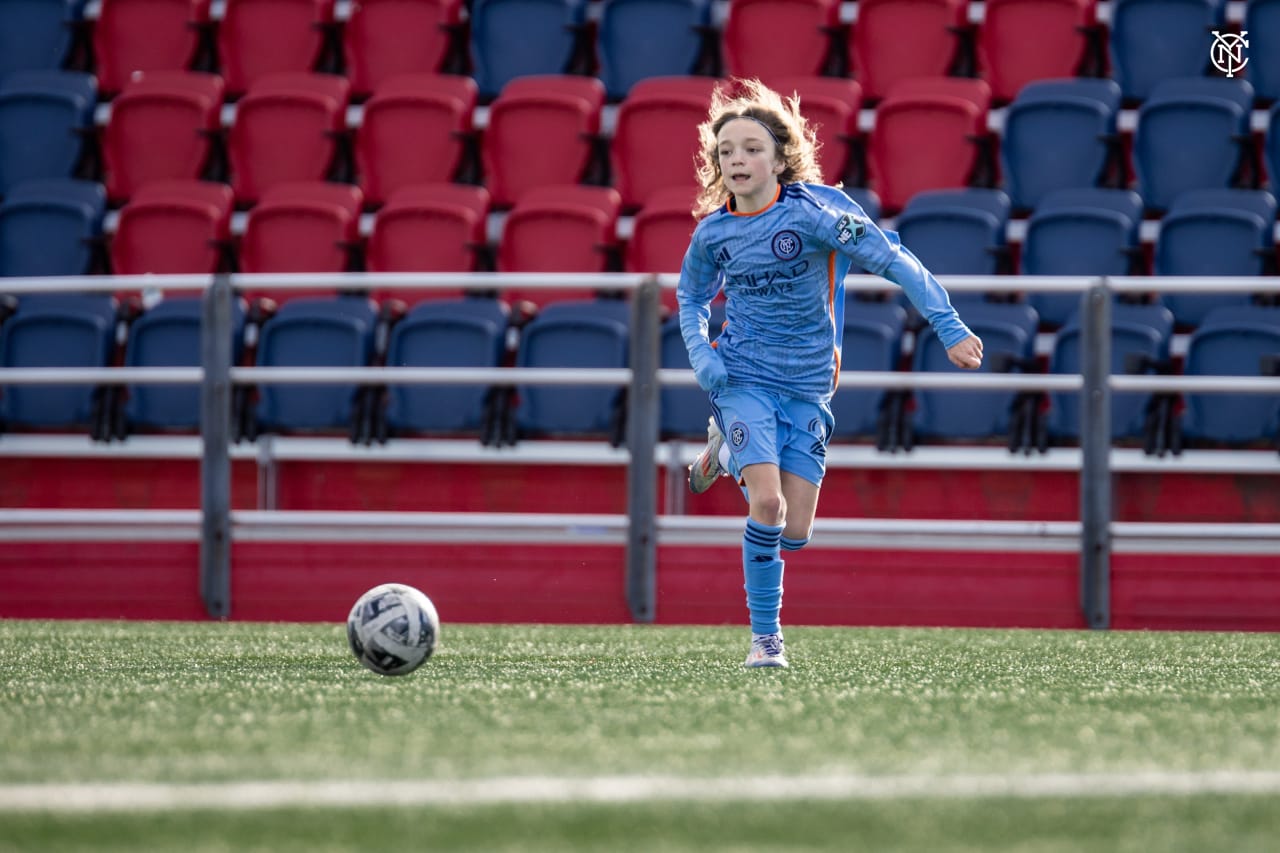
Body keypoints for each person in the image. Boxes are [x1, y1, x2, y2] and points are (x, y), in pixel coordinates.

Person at [677, 79, 984, 669]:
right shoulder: (712, 233)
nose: (737, 160)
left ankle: (725, 454)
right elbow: (690, 298)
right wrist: (703, 357)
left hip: (809, 384)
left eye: (751, 148)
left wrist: (949, 328)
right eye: (726, 152)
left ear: (780, 158)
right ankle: (766, 642)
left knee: (794, 531)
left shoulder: (817, 218)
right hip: (740, 377)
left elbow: (896, 261)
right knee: (765, 507)